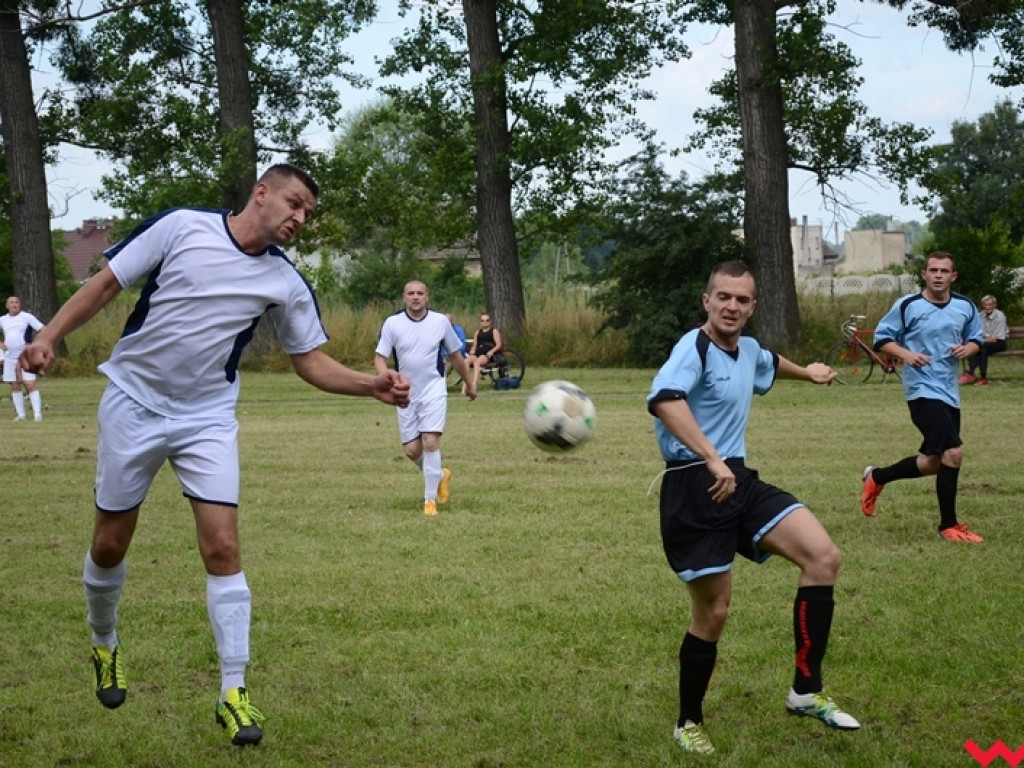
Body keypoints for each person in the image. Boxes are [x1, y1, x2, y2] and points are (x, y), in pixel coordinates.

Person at [19, 164, 411, 747]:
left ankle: (233, 691)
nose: (299, 219)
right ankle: (105, 643)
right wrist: (47, 336)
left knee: (223, 545)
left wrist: (368, 385)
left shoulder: (284, 282)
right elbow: (105, 284)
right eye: (294, 204)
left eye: (307, 213)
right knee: (110, 542)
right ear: (262, 193)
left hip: (206, 418)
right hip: (133, 401)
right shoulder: (181, 228)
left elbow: (310, 360)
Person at [646, 260, 860, 755]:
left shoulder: (747, 350)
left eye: (742, 300)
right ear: (707, 300)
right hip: (692, 486)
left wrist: (807, 373)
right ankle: (688, 721)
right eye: (724, 297)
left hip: (736, 478)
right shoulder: (692, 347)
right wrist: (711, 458)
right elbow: (665, 400)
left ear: (752, 306)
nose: (732, 306)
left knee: (822, 556)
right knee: (713, 611)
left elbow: (769, 361)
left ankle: (805, 691)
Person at [860, 252, 984, 542]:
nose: (938, 275)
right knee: (954, 453)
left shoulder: (965, 306)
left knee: (935, 463)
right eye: (933, 270)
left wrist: (970, 349)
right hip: (921, 391)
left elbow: (977, 338)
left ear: (953, 276)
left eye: (944, 271)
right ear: (924, 274)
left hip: (949, 392)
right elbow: (881, 339)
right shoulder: (908, 305)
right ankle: (948, 526)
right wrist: (907, 354)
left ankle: (877, 476)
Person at [375, 283, 475, 516]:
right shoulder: (393, 323)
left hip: (433, 389)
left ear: (427, 297)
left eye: (420, 293)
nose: (416, 297)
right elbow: (380, 357)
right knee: (412, 450)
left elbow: (456, 356)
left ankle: (429, 500)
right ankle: (440, 475)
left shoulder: (440, 322)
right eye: (411, 293)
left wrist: (469, 384)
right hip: (406, 392)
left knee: (430, 440)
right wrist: (385, 377)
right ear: (404, 297)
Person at [1, 295, 45, 421]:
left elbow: (43, 329)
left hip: (25, 356)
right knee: (15, 386)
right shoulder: (3, 319)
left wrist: (35, 345)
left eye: (16, 302)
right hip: (9, 357)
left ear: (19, 304)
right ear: (7, 306)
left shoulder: (27, 317)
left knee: (30, 384)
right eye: (11, 303)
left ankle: (37, 414)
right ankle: (21, 415)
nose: (14, 305)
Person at [959, 294, 1008, 386]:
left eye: (990, 305)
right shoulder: (980, 315)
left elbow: (995, 338)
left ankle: (971, 374)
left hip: (999, 342)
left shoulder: (1000, 316)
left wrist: (978, 341)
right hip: (984, 342)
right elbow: (973, 330)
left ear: (994, 305)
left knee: (980, 347)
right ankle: (980, 377)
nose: (988, 307)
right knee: (980, 348)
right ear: (983, 305)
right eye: (986, 305)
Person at [466, 312, 503, 392]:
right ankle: (465, 385)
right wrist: (472, 350)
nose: (485, 322)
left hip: (487, 354)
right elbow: (475, 345)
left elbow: (499, 344)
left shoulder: (494, 331)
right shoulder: (478, 332)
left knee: (477, 362)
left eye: (487, 320)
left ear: (490, 321)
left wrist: (492, 351)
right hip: (478, 352)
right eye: (482, 321)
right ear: (480, 322)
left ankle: (474, 385)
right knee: (466, 361)